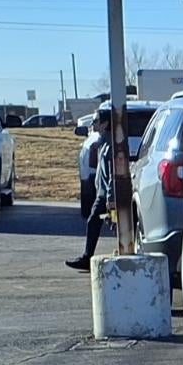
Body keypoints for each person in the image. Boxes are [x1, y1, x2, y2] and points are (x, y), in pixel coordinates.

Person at [66, 107, 113, 272]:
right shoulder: (103, 144)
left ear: (105, 124)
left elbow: (113, 175)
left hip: (106, 194)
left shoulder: (110, 147)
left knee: (94, 220)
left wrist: (110, 198)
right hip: (104, 192)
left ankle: (87, 257)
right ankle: (87, 256)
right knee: (96, 221)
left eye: (96, 122)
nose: (93, 125)